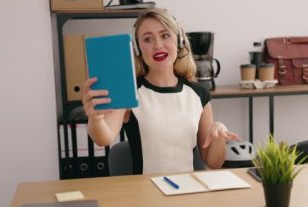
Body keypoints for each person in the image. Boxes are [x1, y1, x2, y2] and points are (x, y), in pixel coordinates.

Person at [82, 8, 240, 174]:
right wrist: (95, 118)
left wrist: (219, 135)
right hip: (145, 193)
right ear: (137, 49)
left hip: (188, 190)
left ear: (179, 41)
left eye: (165, 35)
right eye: (148, 39)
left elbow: (213, 162)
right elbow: (103, 138)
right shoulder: (130, 90)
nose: (158, 45)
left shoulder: (199, 94)